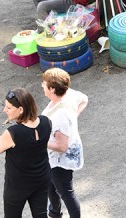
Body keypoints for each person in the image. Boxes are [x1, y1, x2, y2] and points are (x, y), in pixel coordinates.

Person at [0, 88, 53, 218]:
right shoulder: (46, 122)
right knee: (41, 215)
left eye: (8, 108)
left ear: (20, 110)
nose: (5, 110)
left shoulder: (12, 133)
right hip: (42, 179)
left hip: (18, 186)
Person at [42, 68, 88, 218]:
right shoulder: (69, 95)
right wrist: (74, 116)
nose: (42, 85)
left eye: (44, 83)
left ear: (52, 89)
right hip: (52, 158)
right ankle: (54, 213)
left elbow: (62, 147)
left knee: (65, 192)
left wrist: (41, 142)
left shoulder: (59, 116)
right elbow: (84, 99)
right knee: (50, 185)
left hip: (60, 161)